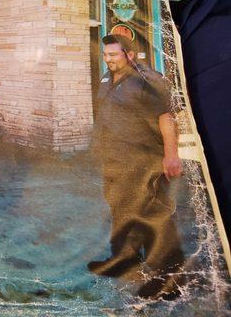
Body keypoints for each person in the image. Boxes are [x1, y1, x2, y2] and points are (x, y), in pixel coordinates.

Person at [88, 35, 185, 299]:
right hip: (115, 160)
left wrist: (171, 155)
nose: (107, 59)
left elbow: (166, 117)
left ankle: (170, 280)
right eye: (105, 55)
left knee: (154, 215)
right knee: (120, 210)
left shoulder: (147, 80)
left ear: (129, 54)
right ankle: (124, 261)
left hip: (144, 161)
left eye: (113, 55)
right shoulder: (108, 78)